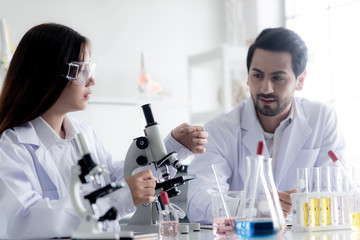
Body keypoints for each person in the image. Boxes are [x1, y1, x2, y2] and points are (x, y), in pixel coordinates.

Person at [0, 23, 208, 239]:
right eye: (81, 70)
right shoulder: (10, 148)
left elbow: (119, 178)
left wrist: (173, 146)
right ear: (47, 75)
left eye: (90, 69)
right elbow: (21, 221)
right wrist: (119, 197)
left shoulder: (83, 135)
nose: (92, 80)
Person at [186, 27, 346, 224]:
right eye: (258, 75)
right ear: (247, 76)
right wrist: (255, 207)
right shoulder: (220, 129)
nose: (265, 88)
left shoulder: (321, 118)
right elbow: (197, 203)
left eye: (278, 78)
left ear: (300, 80)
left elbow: (339, 197)